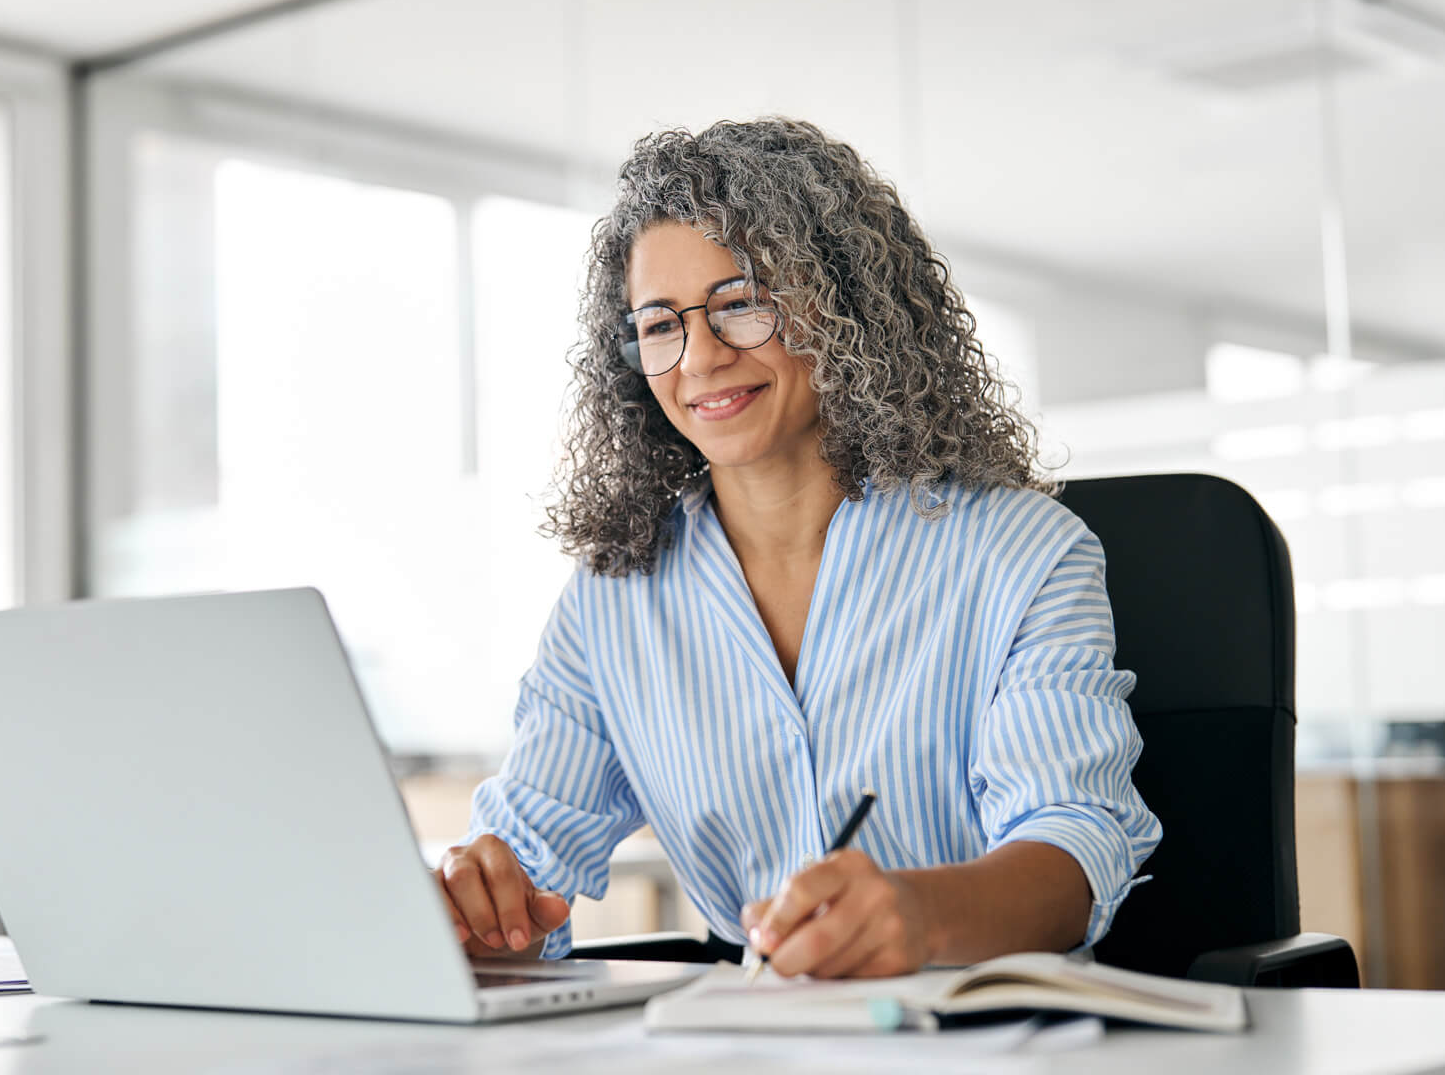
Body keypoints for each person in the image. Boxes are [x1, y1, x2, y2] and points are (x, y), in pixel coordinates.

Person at [431, 117, 1161, 980]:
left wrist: (916, 919)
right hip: (747, 1039)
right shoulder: (612, 600)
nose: (699, 355)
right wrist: (485, 907)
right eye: (660, 323)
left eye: (739, 302)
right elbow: (528, 855)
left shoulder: (1021, 555)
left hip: (977, 1028)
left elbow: (1072, 845)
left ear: (844, 307)